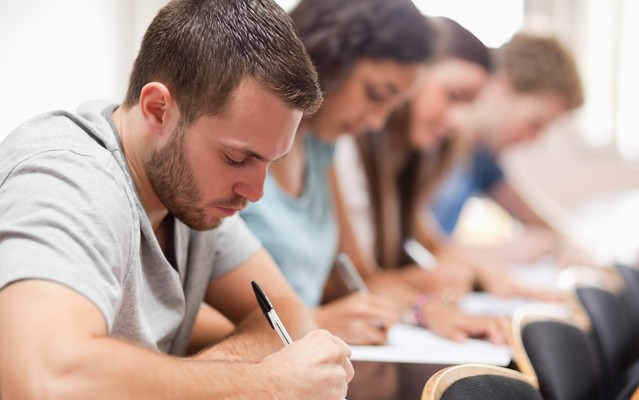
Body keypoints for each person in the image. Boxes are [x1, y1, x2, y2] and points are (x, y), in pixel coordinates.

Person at [0, 0, 354, 398]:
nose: (255, 193)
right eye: (237, 158)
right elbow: (42, 377)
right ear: (157, 110)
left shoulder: (192, 193)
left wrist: (202, 379)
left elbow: (287, 314)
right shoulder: (68, 180)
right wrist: (266, 384)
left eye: (271, 162)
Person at [238, 0, 433, 346]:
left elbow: (357, 275)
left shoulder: (319, 146)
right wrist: (315, 322)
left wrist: (423, 310)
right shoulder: (237, 144)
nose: (376, 122)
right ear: (328, 59)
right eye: (375, 95)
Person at [332, 16, 513, 343]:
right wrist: (425, 300)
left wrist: (494, 276)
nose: (458, 120)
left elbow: (431, 242)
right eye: (453, 95)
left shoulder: (403, 161)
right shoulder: (345, 148)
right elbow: (354, 279)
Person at [430, 31, 585, 264]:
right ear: (500, 87)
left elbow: (536, 219)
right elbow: (410, 251)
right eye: (534, 123)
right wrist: (495, 254)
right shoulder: (429, 140)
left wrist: (568, 245)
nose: (534, 139)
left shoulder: (481, 159)